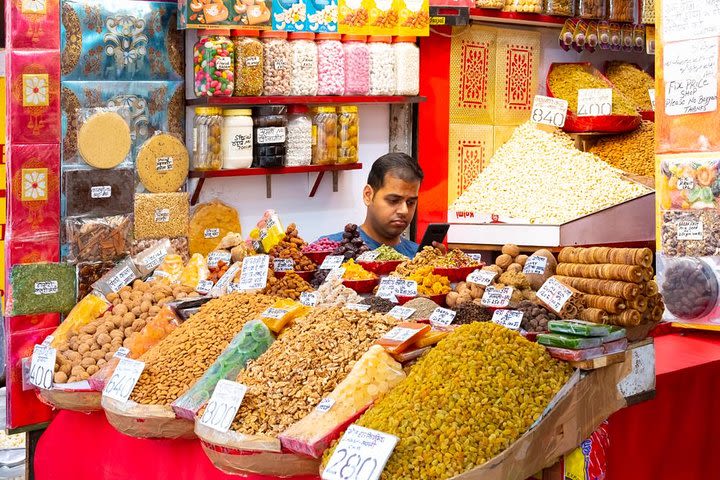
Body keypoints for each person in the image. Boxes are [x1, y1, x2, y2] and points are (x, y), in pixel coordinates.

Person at [324, 152, 424, 257]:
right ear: (368, 195)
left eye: (411, 202)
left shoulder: (420, 258)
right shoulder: (328, 251)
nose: (404, 210)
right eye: (393, 200)